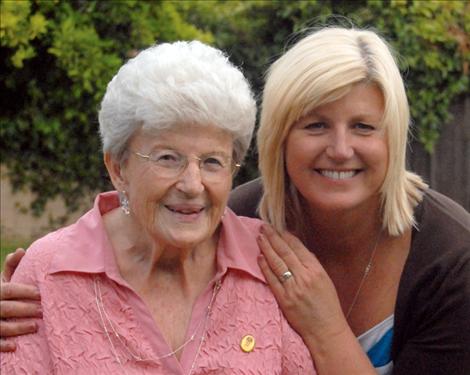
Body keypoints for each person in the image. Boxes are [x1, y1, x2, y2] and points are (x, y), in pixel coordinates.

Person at [2, 26, 470, 375]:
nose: (192, 186)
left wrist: (325, 327)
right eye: (315, 125)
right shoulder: (240, 221)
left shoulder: (453, 261)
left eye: (364, 127)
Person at [0, 40, 316, 374]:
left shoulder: (270, 262)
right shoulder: (51, 270)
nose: (193, 185)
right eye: (167, 158)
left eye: (212, 162)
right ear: (118, 168)